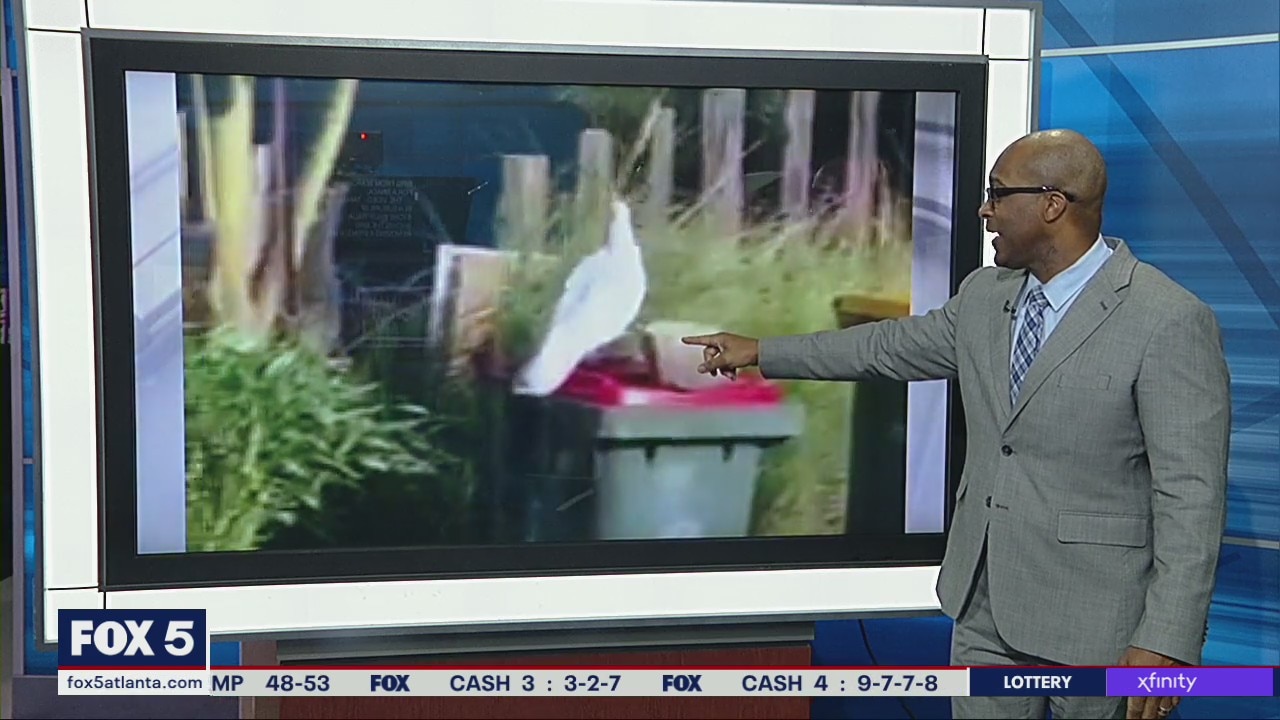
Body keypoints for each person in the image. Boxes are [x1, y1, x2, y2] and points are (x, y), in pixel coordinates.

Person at [683, 130, 1231, 720]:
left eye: (998, 194)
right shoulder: (984, 296)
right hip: (984, 610)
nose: (984, 210)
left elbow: (1191, 496)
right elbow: (886, 348)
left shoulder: (1165, 320)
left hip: (1097, 624)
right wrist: (762, 351)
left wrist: (1167, 637)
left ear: (1052, 204)